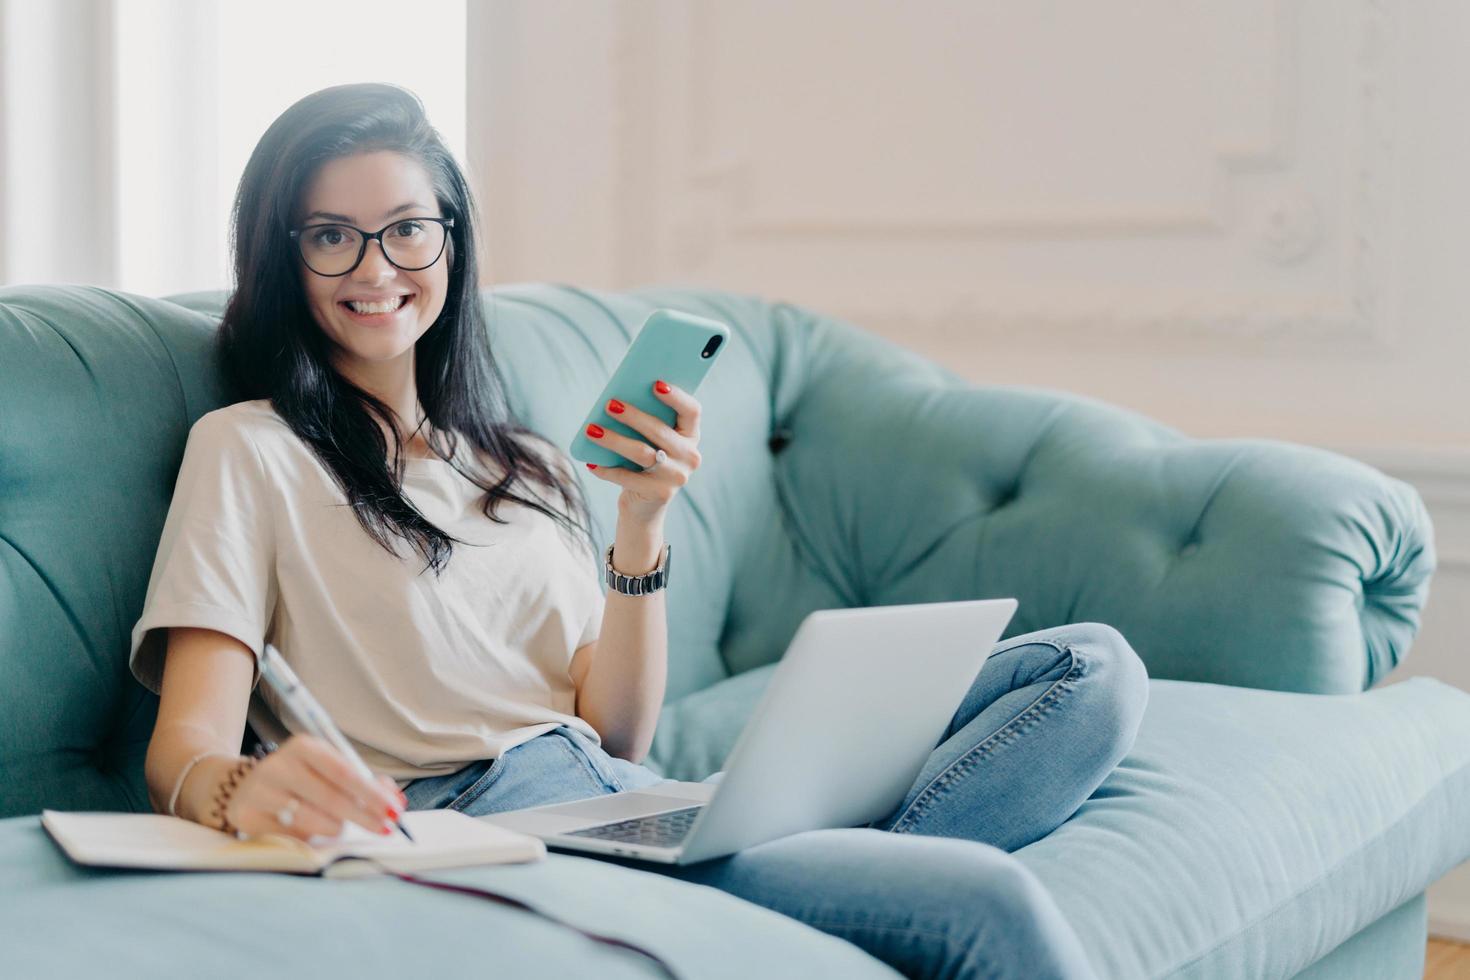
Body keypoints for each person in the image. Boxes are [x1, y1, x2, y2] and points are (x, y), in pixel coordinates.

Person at [131, 82, 1147, 980]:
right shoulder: (248, 449)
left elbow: (616, 730)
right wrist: (248, 790)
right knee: (982, 900)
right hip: (500, 828)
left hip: (632, 796)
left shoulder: (519, 460)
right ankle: (825, 880)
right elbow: (184, 743)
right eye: (328, 235)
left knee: (1089, 669)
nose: (376, 264)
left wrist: (642, 524)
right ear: (285, 255)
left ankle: (804, 872)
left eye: (406, 228)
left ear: (449, 238)